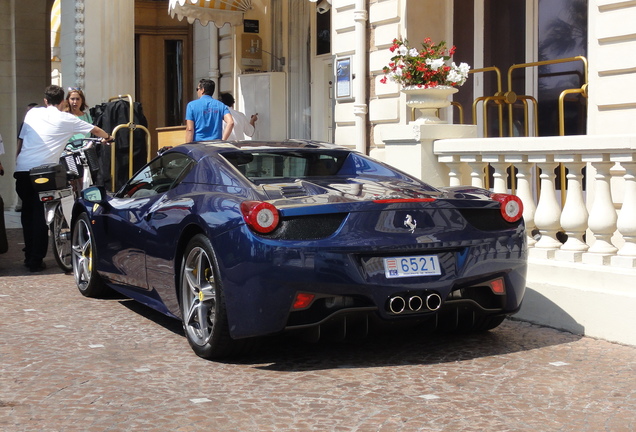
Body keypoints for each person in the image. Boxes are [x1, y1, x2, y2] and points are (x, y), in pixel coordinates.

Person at [14, 85, 113, 272]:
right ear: (63, 102)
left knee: (27, 214)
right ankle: (35, 260)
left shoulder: (33, 114)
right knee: (39, 215)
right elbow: (96, 130)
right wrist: (108, 137)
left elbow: (25, 138)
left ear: (45, 101)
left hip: (22, 169)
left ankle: (29, 256)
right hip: (42, 171)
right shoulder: (66, 118)